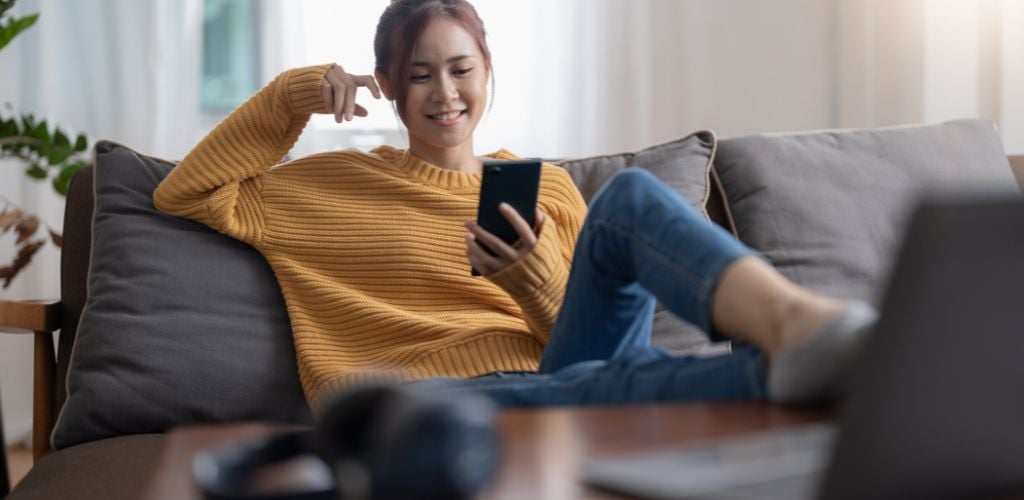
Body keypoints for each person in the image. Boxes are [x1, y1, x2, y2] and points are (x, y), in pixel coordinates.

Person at [154, 0, 876, 413]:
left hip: (559, 377)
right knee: (616, 387)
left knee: (626, 200)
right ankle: (843, 364)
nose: (445, 94)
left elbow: (586, 337)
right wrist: (296, 93)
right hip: (432, 404)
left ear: (487, 71)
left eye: (462, 69)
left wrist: (527, 277)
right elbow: (184, 191)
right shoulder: (324, 189)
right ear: (388, 84)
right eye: (421, 75)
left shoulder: (546, 191)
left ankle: (798, 326)